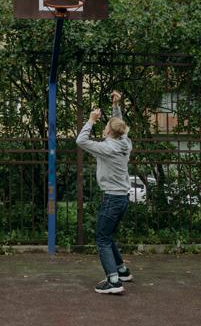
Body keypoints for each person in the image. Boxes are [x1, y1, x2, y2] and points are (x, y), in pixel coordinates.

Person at [76, 90, 133, 294]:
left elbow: (81, 141)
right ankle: (122, 270)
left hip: (112, 199)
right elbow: (120, 124)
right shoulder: (125, 142)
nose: (105, 126)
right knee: (108, 236)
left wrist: (91, 120)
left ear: (109, 131)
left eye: (106, 125)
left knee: (101, 239)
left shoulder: (107, 148)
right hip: (123, 198)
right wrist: (116, 105)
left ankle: (114, 281)